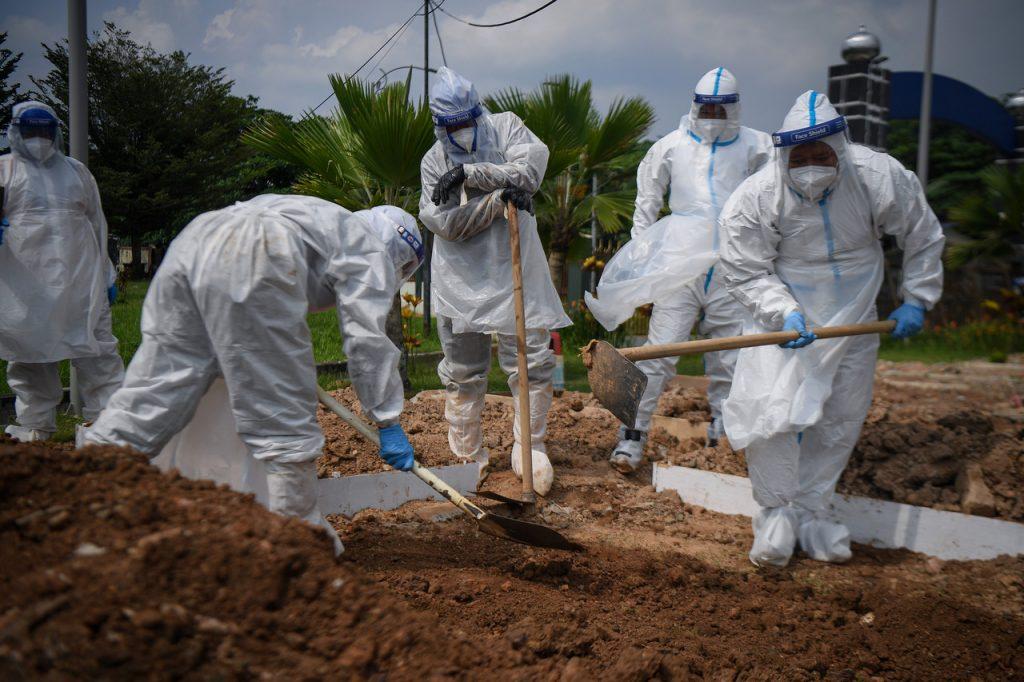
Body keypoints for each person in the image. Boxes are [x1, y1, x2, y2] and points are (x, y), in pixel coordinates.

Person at [85, 196, 425, 554]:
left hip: (197, 237)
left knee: (156, 391)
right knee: (285, 424)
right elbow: (367, 341)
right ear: (398, 255)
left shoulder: (326, 220)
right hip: (258, 253)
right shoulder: (370, 248)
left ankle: (81, 489)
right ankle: (298, 546)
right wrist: (387, 420)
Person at [718, 91, 945, 568]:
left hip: (856, 312)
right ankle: (775, 515)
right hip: (783, 313)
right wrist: (782, 311)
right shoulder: (756, 197)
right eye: (799, 156)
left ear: (839, 148)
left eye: (821, 153)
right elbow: (744, 270)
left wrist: (916, 299)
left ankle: (813, 511)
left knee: (840, 416)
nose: (811, 164)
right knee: (772, 415)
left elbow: (922, 234)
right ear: (784, 155)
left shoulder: (880, 177)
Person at [606, 68, 773, 472]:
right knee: (659, 353)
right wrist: (645, 257)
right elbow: (646, 204)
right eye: (707, 107)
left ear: (734, 109)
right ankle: (632, 435)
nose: (713, 114)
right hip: (680, 263)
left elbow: (776, 195)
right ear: (695, 105)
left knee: (729, 356)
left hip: (732, 263)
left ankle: (724, 431)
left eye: (721, 107)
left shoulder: (757, 145)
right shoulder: (671, 146)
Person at [419, 66, 570, 496]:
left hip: (514, 262)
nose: (462, 132)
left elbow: (530, 171)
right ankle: (469, 456)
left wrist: (475, 176)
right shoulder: (433, 162)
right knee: (464, 368)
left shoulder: (507, 128)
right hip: (461, 277)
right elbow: (444, 224)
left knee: (530, 358)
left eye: (467, 121)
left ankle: (530, 446)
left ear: (477, 112)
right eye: (452, 126)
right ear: (439, 126)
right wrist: (497, 200)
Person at [0, 101, 124, 441]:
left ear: (55, 132)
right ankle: (35, 428)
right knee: (30, 355)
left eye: (45, 131)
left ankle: (108, 427)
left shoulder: (76, 172)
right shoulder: (4, 170)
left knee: (98, 350)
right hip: (25, 284)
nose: (39, 139)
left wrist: (107, 274)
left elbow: (96, 223)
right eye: (31, 132)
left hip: (81, 280)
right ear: (15, 132)